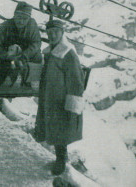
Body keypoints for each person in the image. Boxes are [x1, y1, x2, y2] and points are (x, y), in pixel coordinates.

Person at [34, 20, 85, 175]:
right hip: (49, 98)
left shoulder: (68, 53)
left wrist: (72, 104)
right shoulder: (49, 52)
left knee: (61, 131)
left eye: (56, 32)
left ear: (62, 33)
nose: (52, 35)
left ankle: (61, 161)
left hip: (61, 101)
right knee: (54, 129)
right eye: (49, 33)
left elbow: (76, 81)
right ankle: (60, 157)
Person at [0, 1, 42, 86]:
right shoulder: (3, 27)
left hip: (24, 57)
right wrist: (8, 56)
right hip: (7, 56)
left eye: (25, 19)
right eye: (18, 17)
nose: (21, 21)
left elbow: (36, 43)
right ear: (14, 16)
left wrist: (25, 55)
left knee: (37, 57)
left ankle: (29, 81)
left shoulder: (32, 24)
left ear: (29, 19)